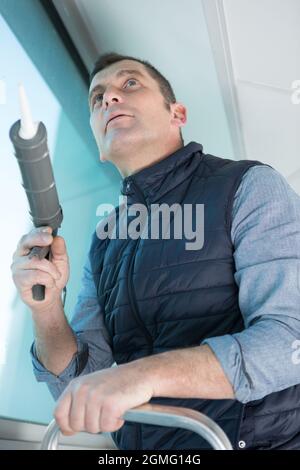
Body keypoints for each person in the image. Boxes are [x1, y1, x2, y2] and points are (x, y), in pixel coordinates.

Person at [11, 52, 300, 450]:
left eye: (129, 84)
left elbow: (290, 342)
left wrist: (139, 376)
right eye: (97, 99)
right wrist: (44, 309)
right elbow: (73, 384)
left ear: (177, 114)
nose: (108, 98)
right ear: (99, 146)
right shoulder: (106, 237)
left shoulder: (248, 186)